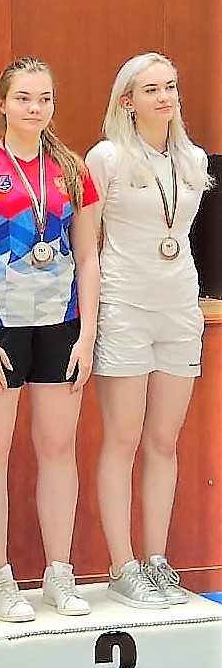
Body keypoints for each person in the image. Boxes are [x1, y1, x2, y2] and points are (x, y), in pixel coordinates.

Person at [0, 57, 100, 622]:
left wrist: (87, 334)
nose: (35, 108)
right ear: (2, 104)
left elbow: (88, 256)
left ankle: (60, 572)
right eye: (24, 98)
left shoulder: (73, 170)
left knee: (59, 449)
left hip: (61, 326)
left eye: (45, 99)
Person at [87, 53, 212, 609]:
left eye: (171, 87)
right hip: (124, 307)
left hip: (180, 308)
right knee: (123, 440)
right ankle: (123, 565)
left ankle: (157, 559)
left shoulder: (193, 158)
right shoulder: (106, 158)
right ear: (128, 101)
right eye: (152, 89)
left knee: (164, 441)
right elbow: (87, 242)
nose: (165, 97)